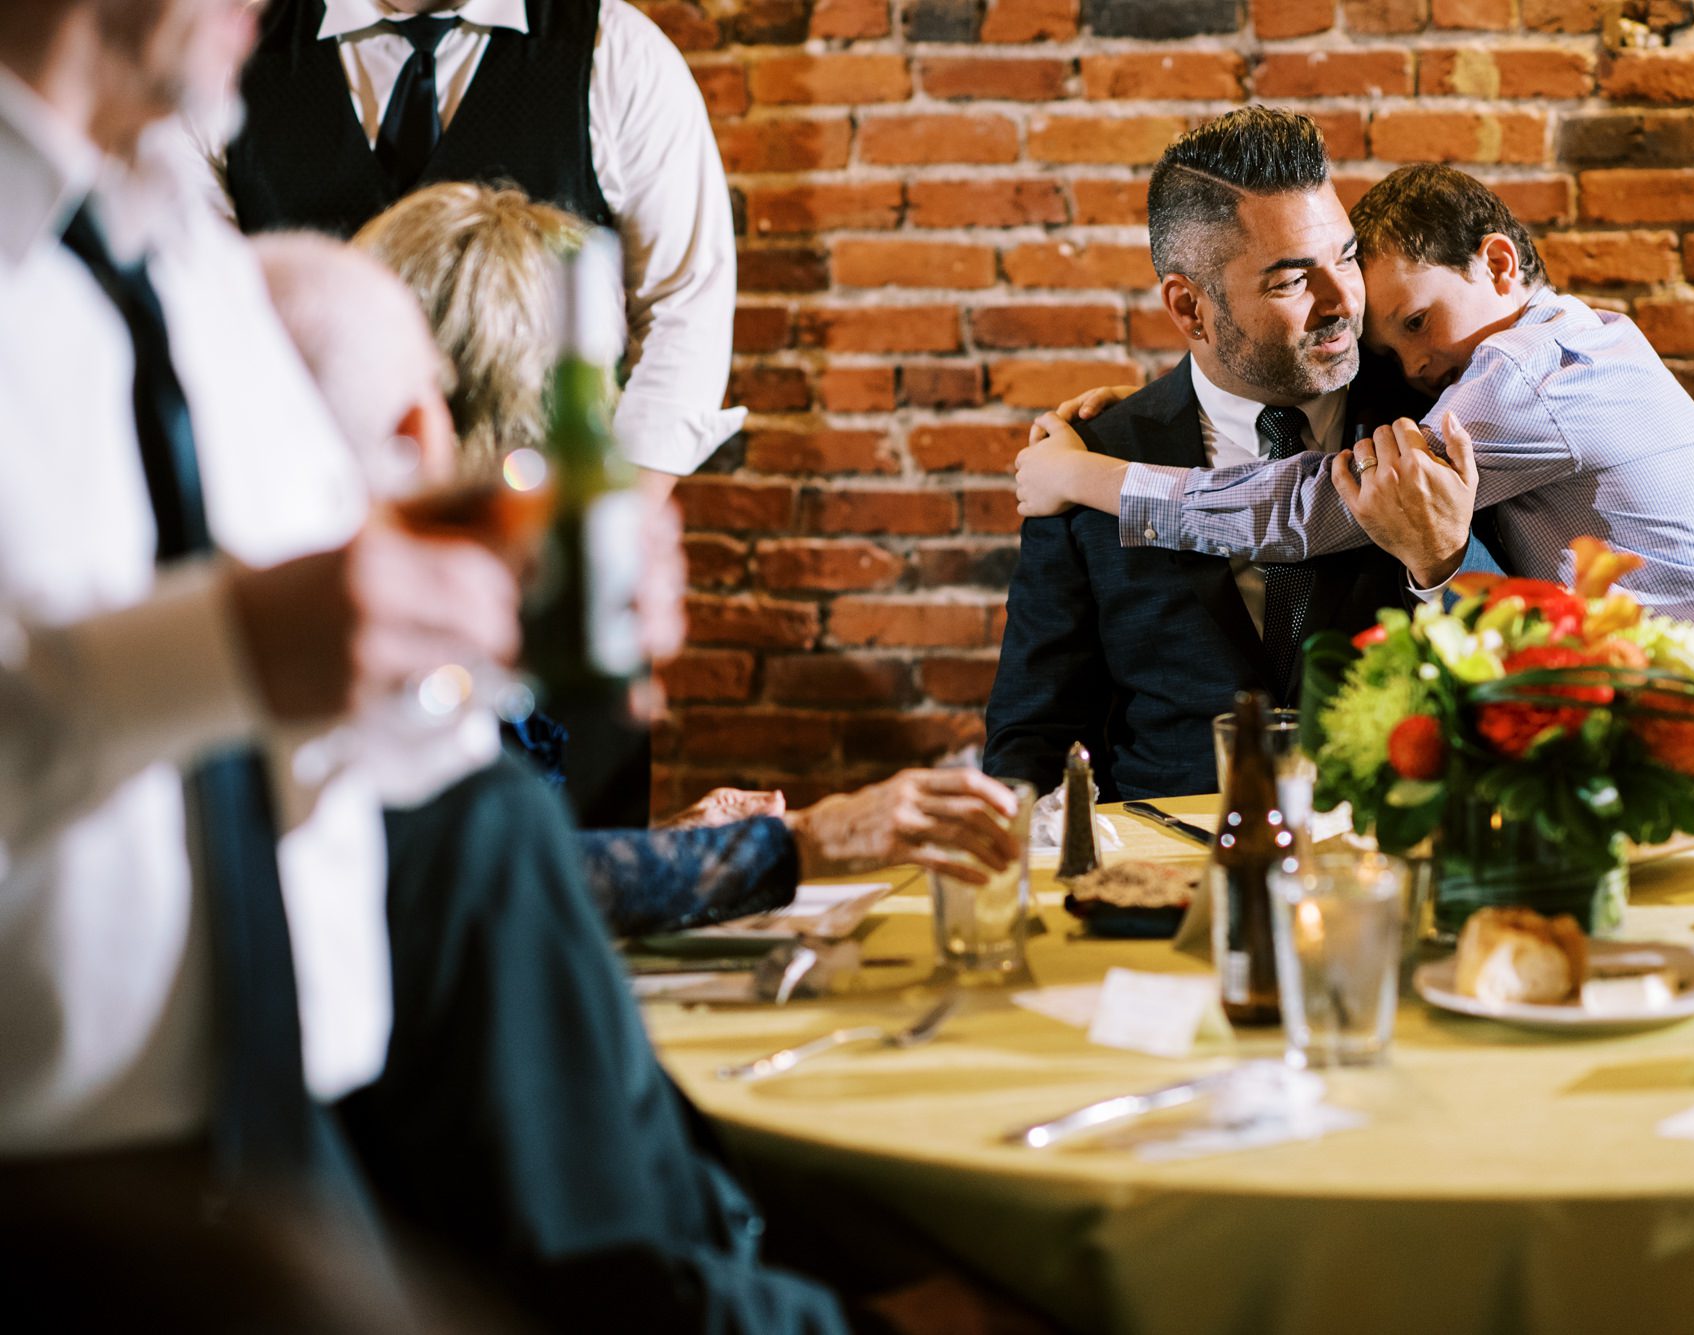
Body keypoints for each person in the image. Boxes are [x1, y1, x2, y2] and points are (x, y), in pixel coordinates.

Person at [0, 4, 848, 1330]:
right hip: (78, 1202)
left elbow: (373, 727)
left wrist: (476, 614)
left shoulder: (190, 257)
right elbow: (221, 649)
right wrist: (221, 650)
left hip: (329, 1144)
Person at [260, 221, 1023, 934]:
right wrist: (800, 840)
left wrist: (679, 847)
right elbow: (475, 884)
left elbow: (545, 872)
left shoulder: (456, 608)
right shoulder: (347, 634)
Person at [1015, 163, 1694, 658]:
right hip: (1690, 680)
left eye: (1418, 321)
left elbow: (1307, 506)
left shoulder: (1526, 379)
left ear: (1496, 262)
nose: (1417, 368)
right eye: (1391, 351)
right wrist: (1164, 408)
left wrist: (1086, 475)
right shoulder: (1576, 345)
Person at [981, 108, 1480, 800]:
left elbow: (1511, 666)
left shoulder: (1436, 408)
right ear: (1190, 310)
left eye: (1345, 257)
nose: (1343, 301)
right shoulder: (1088, 456)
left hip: (1390, 847)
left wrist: (1443, 564)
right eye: (1291, 281)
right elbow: (1030, 736)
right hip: (1170, 872)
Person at [191, 0, 740, 479]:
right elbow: (198, 315)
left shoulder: (617, 53)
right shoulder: (221, 59)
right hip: (310, 528)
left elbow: (684, 314)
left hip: (539, 521)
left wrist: (603, 535)